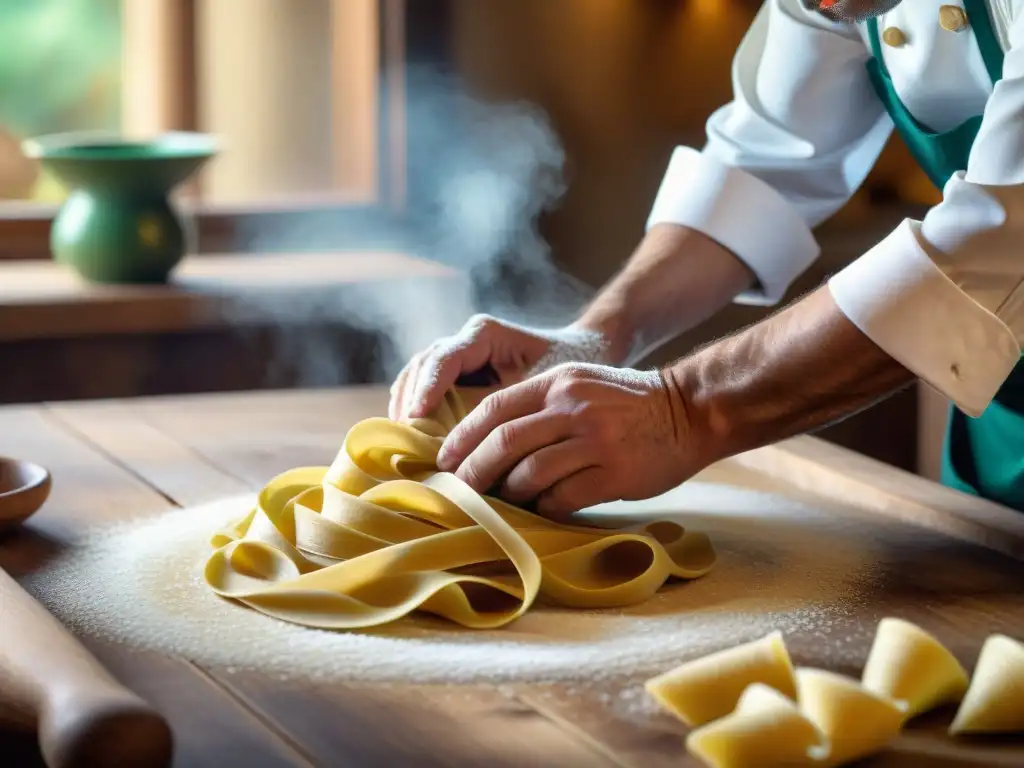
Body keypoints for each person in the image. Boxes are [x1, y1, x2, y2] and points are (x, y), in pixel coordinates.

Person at [389, 0, 1024, 520]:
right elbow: (766, 163)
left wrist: (682, 410)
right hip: (1002, 429)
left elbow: (994, 241)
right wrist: (595, 337)